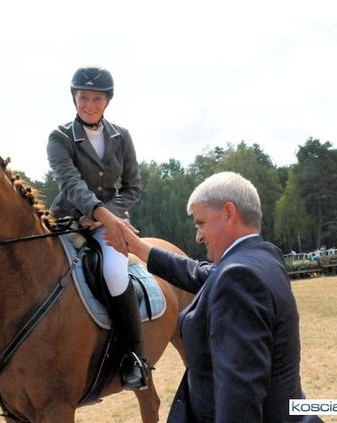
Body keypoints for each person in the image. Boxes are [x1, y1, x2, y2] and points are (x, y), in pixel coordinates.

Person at [117, 172, 321, 422]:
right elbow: (201, 273)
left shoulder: (237, 278)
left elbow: (239, 396)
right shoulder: (264, 256)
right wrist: (137, 246)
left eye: (201, 223)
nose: (198, 236)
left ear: (228, 213)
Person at [46, 66, 146, 390]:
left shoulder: (122, 136)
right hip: (66, 221)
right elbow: (70, 182)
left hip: (108, 224)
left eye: (97, 99)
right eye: (83, 98)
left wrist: (106, 217)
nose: (89, 104)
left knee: (115, 273)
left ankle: (134, 357)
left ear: (107, 101)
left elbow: (133, 187)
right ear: (74, 98)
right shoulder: (60, 137)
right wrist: (95, 211)